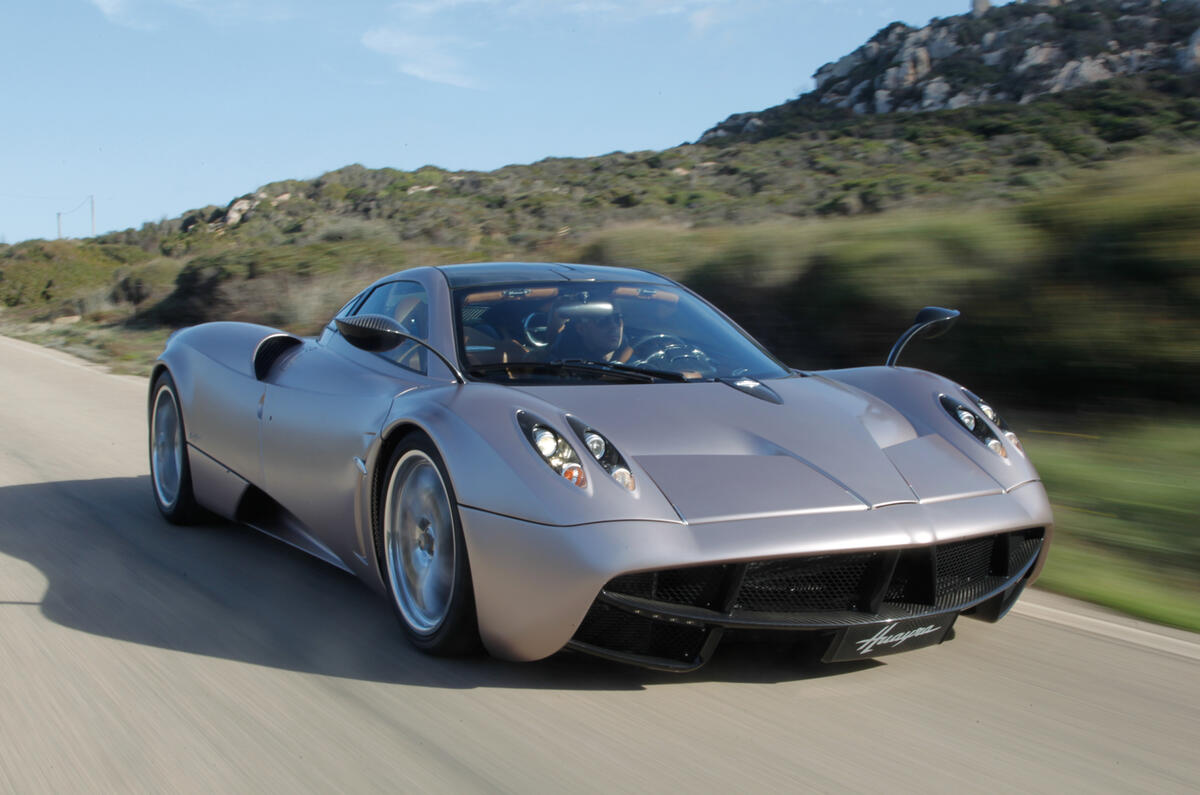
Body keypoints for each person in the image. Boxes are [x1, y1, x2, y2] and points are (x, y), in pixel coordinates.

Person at [548, 300, 632, 363]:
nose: (614, 326)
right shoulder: (564, 368)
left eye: (617, 319)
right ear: (581, 329)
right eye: (603, 320)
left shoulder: (637, 364)